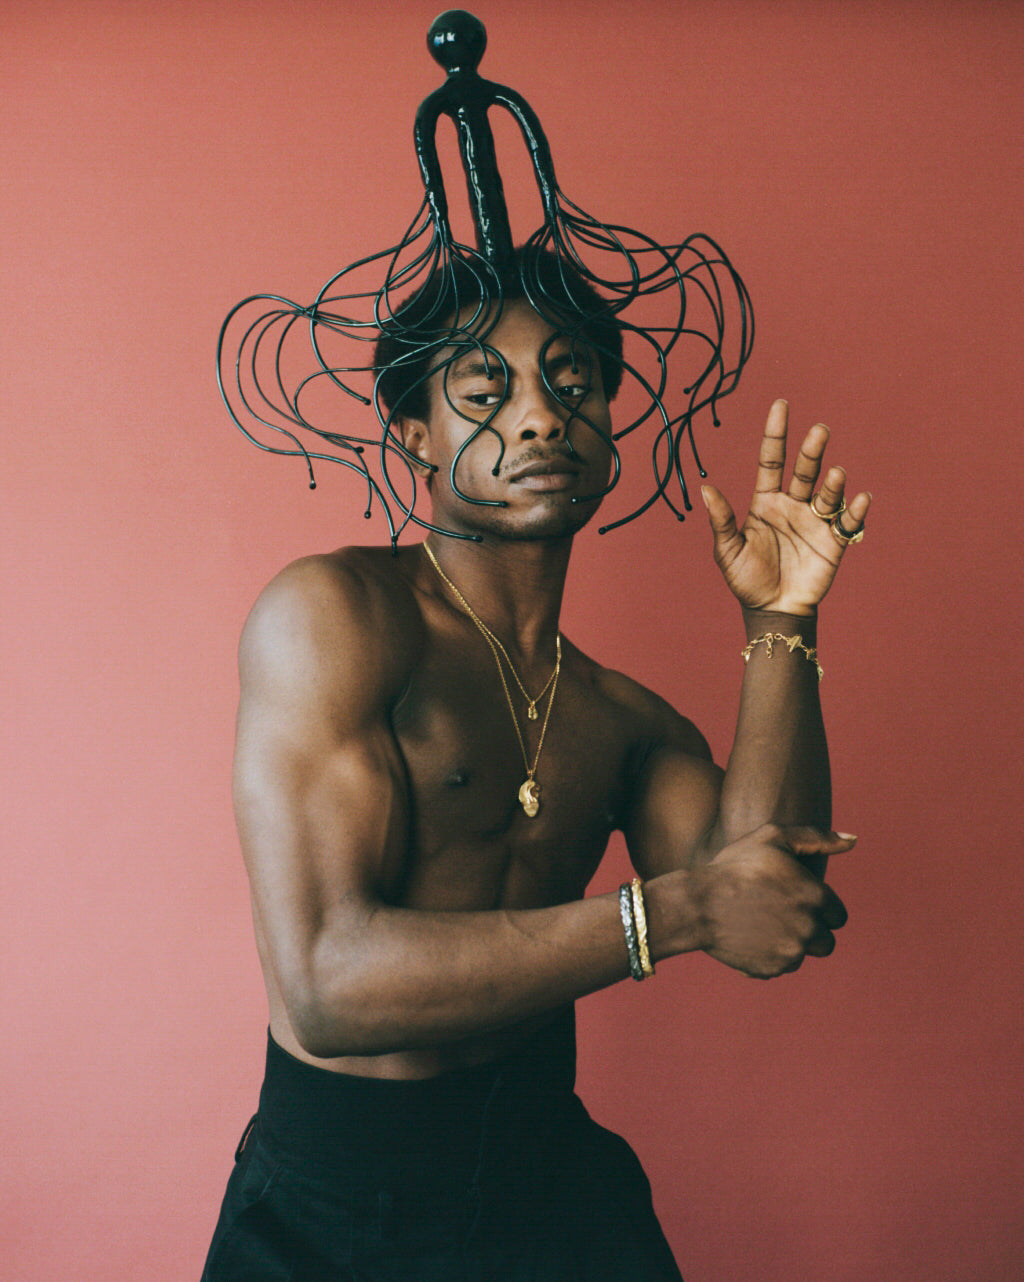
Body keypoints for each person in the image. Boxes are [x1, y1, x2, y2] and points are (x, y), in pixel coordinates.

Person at [201, 252, 870, 1281]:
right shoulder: (334, 618)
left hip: (549, 1180)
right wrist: (671, 915)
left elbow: (765, 896)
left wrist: (780, 621)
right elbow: (326, 982)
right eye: (485, 389)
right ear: (413, 431)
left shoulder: (620, 718)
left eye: (572, 383)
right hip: (334, 1207)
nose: (540, 416)